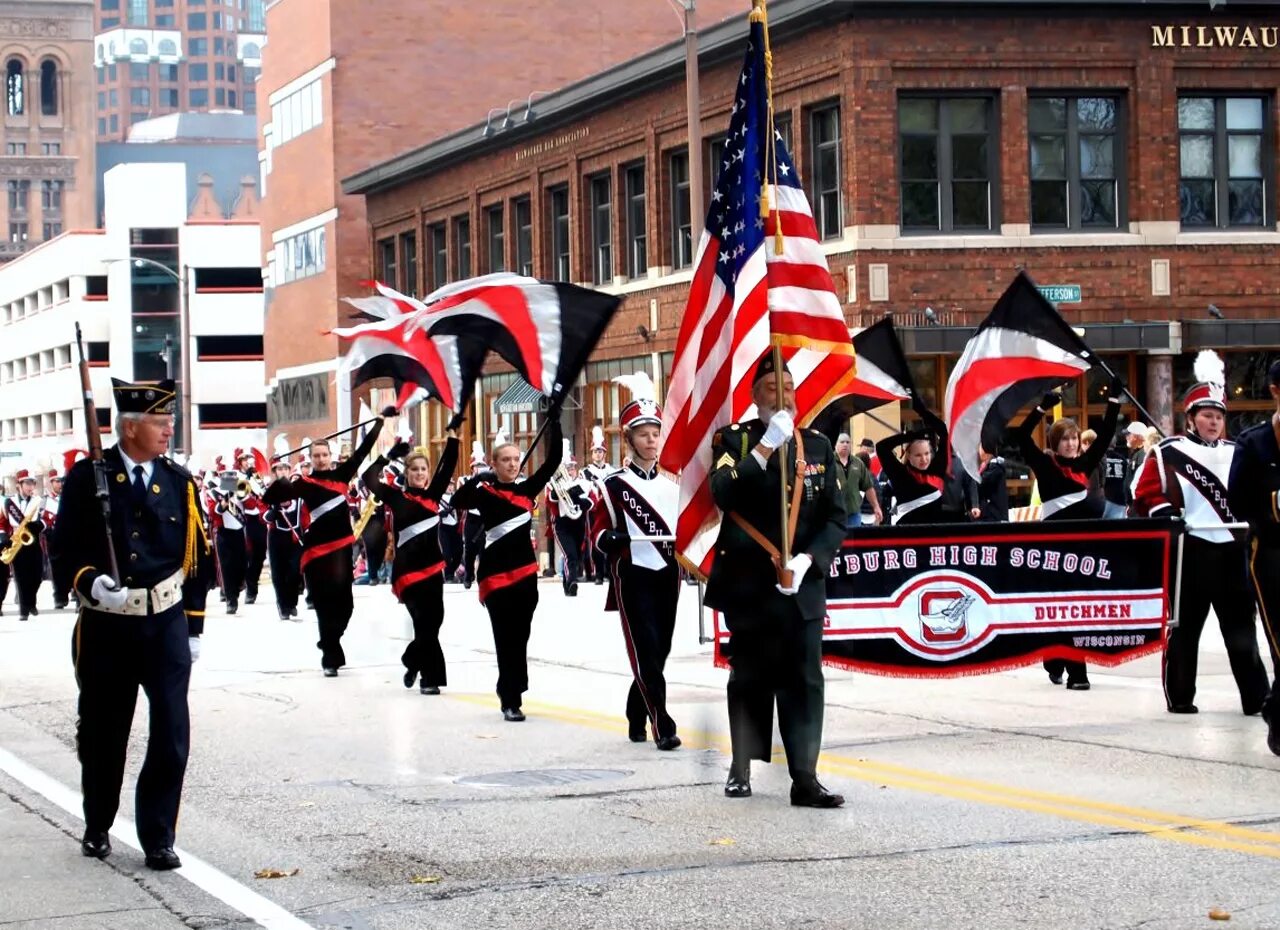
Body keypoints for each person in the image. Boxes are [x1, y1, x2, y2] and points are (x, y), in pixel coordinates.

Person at [49, 378, 213, 870]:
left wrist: (195, 627)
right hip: (107, 627)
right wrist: (90, 581)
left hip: (164, 623)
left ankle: (158, 835)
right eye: (161, 423)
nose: (168, 431)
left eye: (169, 423)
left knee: (171, 730)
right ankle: (98, 822)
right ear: (130, 427)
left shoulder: (179, 481)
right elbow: (63, 550)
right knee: (104, 730)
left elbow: (197, 556)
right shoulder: (86, 479)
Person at [705, 355, 848, 807]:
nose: (782, 395)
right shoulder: (736, 440)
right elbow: (723, 492)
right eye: (771, 387)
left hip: (800, 584)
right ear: (754, 397)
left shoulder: (819, 446)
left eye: (788, 386)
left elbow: (836, 517)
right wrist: (765, 448)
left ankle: (804, 776)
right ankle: (741, 766)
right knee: (748, 676)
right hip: (750, 582)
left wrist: (809, 560)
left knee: (805, 677)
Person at [1134, 355, 1269, 716]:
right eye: (1207, 415)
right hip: (1190, 549)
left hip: (1233, 550)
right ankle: (1180, 696)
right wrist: (1165, 513)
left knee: (1242, 632)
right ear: (1191, 417)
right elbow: (1145, 493)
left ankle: (1258, 698)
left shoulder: (1237, 450)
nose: (1214, 422)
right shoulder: (1168, 451)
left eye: (1219, 416)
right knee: (1186, 630)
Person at [1010, 377, 1123, 691]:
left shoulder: (1087, 463)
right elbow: (1020, 435)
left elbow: (1107, 434)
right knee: (1061, 608)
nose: (1072, 444)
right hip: (1056, 547)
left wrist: (1114, 400)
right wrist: (1042, 407)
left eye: (1074, 438)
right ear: (1055, 442)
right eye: (1065, 439)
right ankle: (1065, 665)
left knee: (1078, 608)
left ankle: (1068, 666)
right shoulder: (1045, 466)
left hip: (1085, 546)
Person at [592, 373, 682, 751]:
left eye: (655, 433)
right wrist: (607, 538)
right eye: (643, 434)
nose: (651, 440)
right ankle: (663, 724)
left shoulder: (674, 483)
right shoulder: (613, 486)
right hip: (633, 575)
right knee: (644, 650)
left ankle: (635, 711)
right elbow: (595, 530)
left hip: (668, 574)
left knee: (659, 651)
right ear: (628, 440)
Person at [451, 420, 563, 721]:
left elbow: (553, 460)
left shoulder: (527, 489)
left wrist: (553, 421)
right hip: (495, 576)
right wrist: (478, 478)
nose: (512, 464)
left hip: (526, 575)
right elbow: (455, 500)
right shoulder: (485, 493)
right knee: (505, 637)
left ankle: (512, 685)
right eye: (505, 460)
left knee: (521, 635)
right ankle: (510, 698)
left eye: (516, 459)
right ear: (494, 463)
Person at [262, 415, 385, 676]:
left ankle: (330, 641)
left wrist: (379, 423)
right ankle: (330, 656)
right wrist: (278, 476)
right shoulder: (303, 484)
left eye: (323, 455)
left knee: (346, 606)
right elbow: (268, 497)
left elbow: (363, 452)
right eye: (316, 456)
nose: (320, 459)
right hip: (317, 553)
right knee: (324, 604)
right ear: (310, 459)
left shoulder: (342, 474)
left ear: (330, 456)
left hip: (341, 550)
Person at [361, 430, 459, 694]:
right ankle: (430, 679)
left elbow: (448, 465)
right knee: (423, 623)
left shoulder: (433, 495)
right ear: (407, 472)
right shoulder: (396, 497)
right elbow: (368, 479)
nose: (419, 473)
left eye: (423, 469)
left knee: (434, 622)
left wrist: (452, 439)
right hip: (408, 571)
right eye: (414, 469)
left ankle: (412, 660)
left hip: (433, 569)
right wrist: (388, 456)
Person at [1227, 359, 1280, 757]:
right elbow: (1238, 500)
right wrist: (1274, 504)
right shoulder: (1255, 442)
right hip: (1272, 554)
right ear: (1276, 392)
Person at [876, 404, 951, 525]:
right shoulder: (900, 474)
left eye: (927, 453)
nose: (924, 459)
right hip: (907, 537)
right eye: (918, 455)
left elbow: (943, 432)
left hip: (933, 536)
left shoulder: (937, 468)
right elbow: (881, 447)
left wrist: (922, 410)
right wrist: (909, 436)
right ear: (909, 456)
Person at [547, 448, 592, 596]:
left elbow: (592, 504)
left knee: (576, 555)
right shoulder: (554, 484)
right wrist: (556, 491)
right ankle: (573, 582)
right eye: (567, 467)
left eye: (572, 467)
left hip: (578, 523)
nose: (570, 470)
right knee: (570, 554)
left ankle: (567, 582)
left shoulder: (584, 483)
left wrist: (577, 497)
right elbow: (551, 503)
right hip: (562, 524)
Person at [265, 459, 305, 621]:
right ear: (275, 472)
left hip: (295, 537)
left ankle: (292, 602)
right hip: (276, 537)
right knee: (278, 573)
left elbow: (305, 512)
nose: (282, 471)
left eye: (284, 468)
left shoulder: (298, 490)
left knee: (295, 571)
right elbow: (264, 516)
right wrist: (274, 509)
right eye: (278, 469)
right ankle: (283, 606)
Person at [4, 470, 45, 622]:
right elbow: (3, 522)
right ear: (18, 485)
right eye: (27, 483)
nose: (30, 486)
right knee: (21, 578)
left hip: (33, 542)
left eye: (32, 483)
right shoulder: (9, 502)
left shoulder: (38, 501)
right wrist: (4, 537)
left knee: (37, 575)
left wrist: (39, 525)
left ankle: (31, 602)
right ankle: (23, 610)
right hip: (17, 542)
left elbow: (46, 519)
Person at [207, 468, 247, 615]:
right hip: (224, 532)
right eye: (227, 476)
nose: (230, 479)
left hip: (239, 532)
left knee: (241, 565)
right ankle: (231, 600)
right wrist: (226, 498)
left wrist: (243, 494)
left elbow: (252, 506)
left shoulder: (241, 490)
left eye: (233, 476)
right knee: (227, 567)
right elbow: (214, 512)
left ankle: (236, 590)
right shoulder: (213, 492)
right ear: (221, 477)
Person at [582, 426, 614, 584]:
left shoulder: (611, 470)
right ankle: (599, 573)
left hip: (609, 509)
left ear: (605, 453)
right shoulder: (585, 472)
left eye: (600, 451)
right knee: (595, 541)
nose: (598, 454)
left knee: (610, 540)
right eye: (595, 451)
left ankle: (608, 570)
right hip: (594, 510)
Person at [235, 451, 268, 605]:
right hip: (241, 519)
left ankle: (252, 583)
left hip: (259, 518)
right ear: (240, 461)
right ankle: (243, 589)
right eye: (246, 459)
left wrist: (256, 481)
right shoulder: (231, 475)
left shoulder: (255, 475)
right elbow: (231, 498)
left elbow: (264, 492)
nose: (249, 462)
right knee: (245, 555)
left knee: (260, 554)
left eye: (250, 459)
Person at [834, 432, 881, 528]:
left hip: (854, 513)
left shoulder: (858, 463)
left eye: (848, 442)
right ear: (836, 444)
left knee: (854, 541)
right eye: (842, 442)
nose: (845, 444)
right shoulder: (828, 462)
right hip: (834, 514)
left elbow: (868, 486)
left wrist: (876, 506)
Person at [459, 442, 488, 590]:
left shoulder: (489, 482)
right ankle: (469, 574)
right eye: (477, 465)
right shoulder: (464, 480)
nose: (479, 468)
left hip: (484, 519)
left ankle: (482, 577)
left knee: (484, 549)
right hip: (471, 519)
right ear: (472, 468)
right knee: (470, 549)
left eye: (482, 465)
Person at [974, 444, 1008, 522]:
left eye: (981, 449)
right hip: (988, 515)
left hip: (995, 516)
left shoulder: (996, 467)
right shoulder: (985, 466)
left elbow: (981, 482)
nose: (979, 452)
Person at [1122, 421, 1148, 510]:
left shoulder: (1143, 454)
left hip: (1138, 506)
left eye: (1129, 434)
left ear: (1137, 436)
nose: (1126, 437)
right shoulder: (1137, 453)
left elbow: (1142, 481)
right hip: (1133, 505)